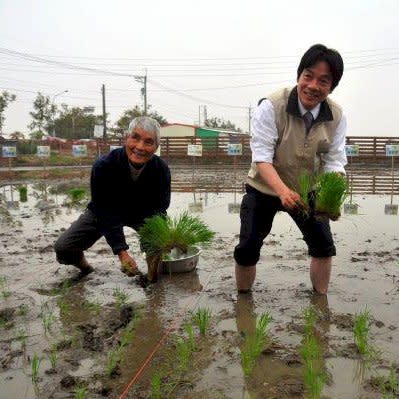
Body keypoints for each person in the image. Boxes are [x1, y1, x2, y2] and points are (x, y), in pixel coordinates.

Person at [234, 44, 346, 295]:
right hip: (264, 186)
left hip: (307, 189)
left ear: (332, 86)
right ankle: (243, 300)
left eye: (323, 81)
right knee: (247, 247)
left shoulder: (336, 116)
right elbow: (262, 157)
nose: (313, 86)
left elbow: (335, 160)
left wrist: (333, 194)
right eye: (308, 76)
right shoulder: (272, 106)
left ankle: (321, 300)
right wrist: (282, 191)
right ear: (299, 76)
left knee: (323, 245)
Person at [54, 116, 171, 277]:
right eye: (135, 138)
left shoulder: (161, 170)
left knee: (158, 237)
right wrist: (121, 252)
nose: (140, 147)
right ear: (126, 138)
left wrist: (155, 241)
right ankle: (86, 269)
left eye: (148, 142)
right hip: (104, 209)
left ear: (156, 147)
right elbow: (104, 210)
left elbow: (159, 209)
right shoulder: (104, 165)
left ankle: (151, 277)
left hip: (142, 212)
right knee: (64, 247)